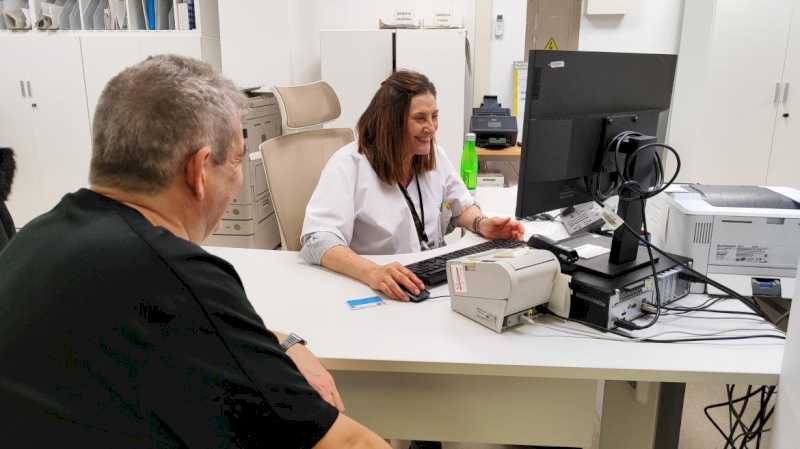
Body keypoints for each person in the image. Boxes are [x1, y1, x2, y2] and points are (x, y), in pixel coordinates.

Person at [0, 55, 390, 449]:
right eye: (237, 161)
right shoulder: (172, 275)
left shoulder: (34, 239)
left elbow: (171, 330)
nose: (238, 181)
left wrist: (281, 343)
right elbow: (349, 444)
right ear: (199, 171)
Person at [301, 70, 525, 301]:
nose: (431, 127)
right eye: (420, 118)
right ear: (392, 122)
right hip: (382, 291)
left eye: (434, 116)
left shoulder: (434, 156)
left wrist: (482, 224)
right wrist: (372, 272)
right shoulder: (349, 164)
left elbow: (461, 205)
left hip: (429, 283)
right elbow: (318, 240)